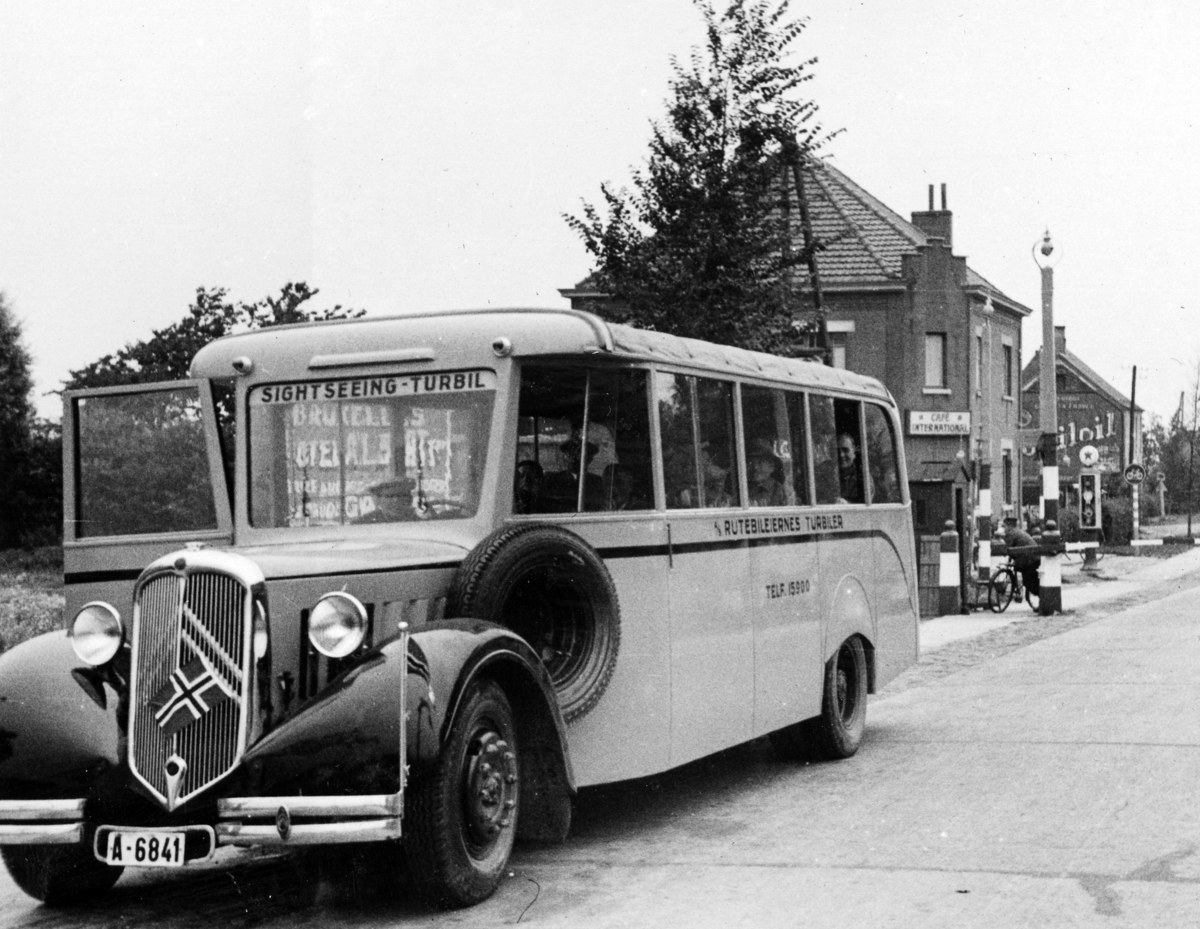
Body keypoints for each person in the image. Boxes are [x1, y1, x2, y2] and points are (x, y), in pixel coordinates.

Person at [998, 517, 1040, 601]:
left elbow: (1006, 549)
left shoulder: (1011, 533)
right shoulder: (1018, 531)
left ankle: (1043, 599)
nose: (1004, 529)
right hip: (1033, 558)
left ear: (1009, 526)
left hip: (1029, 560)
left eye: (1005, 526)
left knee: (1029, 583)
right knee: (1031, 581)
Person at [836, 432, 863, 503]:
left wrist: (847, 504)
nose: (841, 455)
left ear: (854, 451)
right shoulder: (823, 471)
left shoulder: (863, 476)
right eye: (836, 451)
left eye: (845, 450)